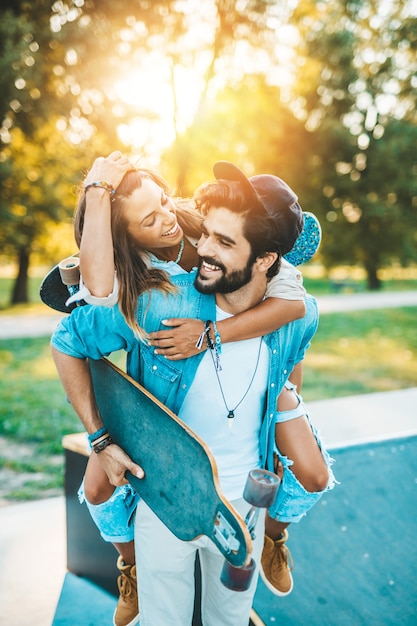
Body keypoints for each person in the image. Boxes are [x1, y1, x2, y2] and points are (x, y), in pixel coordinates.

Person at [51, 161, 335, 626]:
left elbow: (290, 352)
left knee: (231, 613)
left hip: (243, 509)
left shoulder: (295, 305)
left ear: (267, 257)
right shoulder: (156, 298)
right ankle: (133, 567)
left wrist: (278, 430)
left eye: (223, 242)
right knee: (103, 498)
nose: (203, 246)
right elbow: (77, 328)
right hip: (167, 495)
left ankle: (273, 539)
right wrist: (100, 440)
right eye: (208, 236)